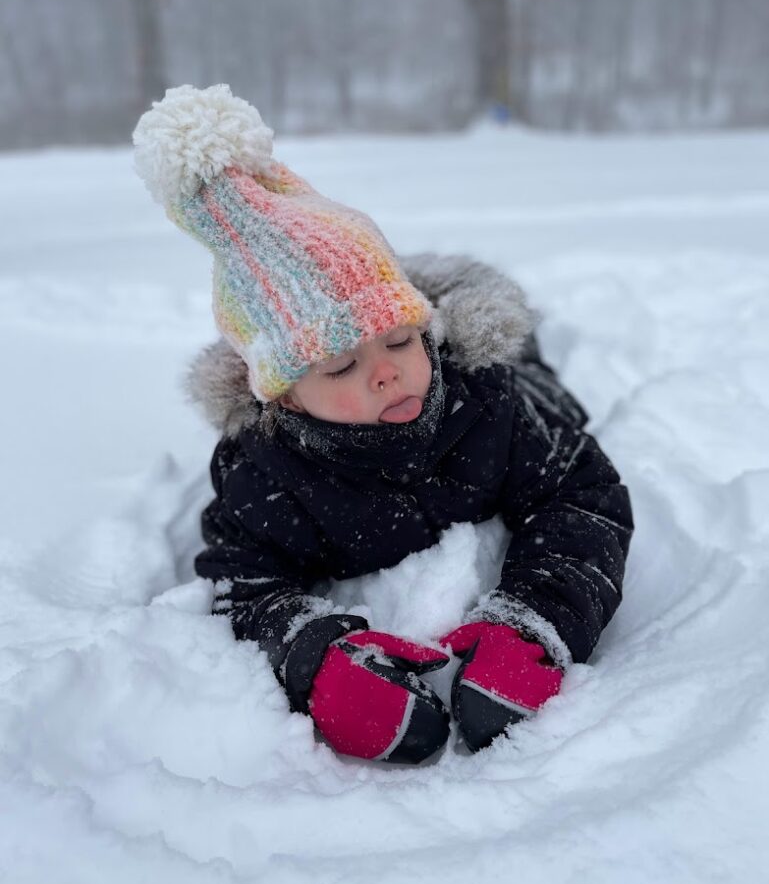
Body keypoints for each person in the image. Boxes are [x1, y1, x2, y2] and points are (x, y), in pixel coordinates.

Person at [133, 84, 633, 764]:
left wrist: (536, 620)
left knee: (518, 360)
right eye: (340, 366)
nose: (385, 373)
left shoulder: (487, 404)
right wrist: (315, 655)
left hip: (512, 387)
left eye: (400, 342)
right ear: (282, 397)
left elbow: (580, 496)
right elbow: (243, 588)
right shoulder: (266, 473)